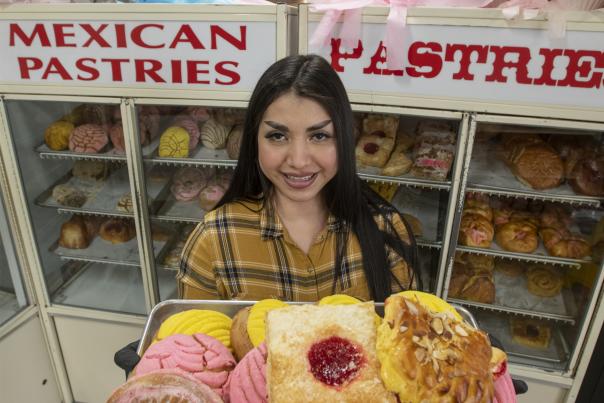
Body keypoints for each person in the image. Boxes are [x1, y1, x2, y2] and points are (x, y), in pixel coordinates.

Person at [177, 54, 419, 302]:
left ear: (345, 139)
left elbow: (406, 332)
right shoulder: (213, 241)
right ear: (254, 140)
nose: (299, 161)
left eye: (320, 136)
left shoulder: (385, 229)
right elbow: (194, 337)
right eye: (278, 136)